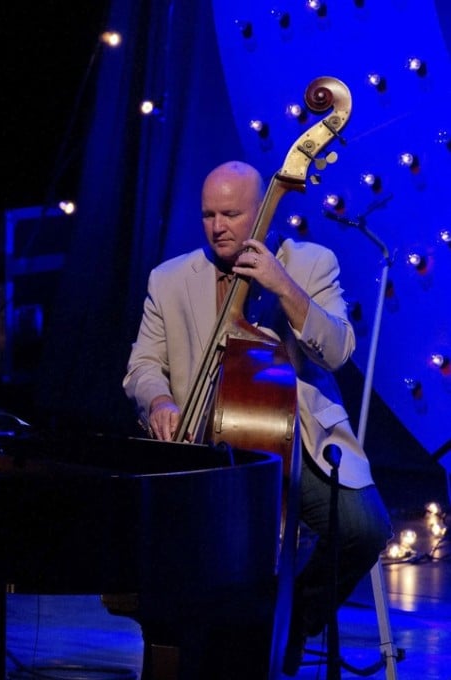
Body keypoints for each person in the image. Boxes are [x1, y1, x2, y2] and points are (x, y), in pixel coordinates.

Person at [122, 160, 392, 675]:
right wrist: (159, 400)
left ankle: (291, 622)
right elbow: (142, 366)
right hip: (204, 438)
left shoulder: (311, 262)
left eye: (231, 213)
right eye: (208, 215)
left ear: (263, 212)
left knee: (364, 528)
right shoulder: (171, 278)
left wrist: (284, 286)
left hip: (295, 435)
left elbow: (336, 351)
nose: (218, 226)